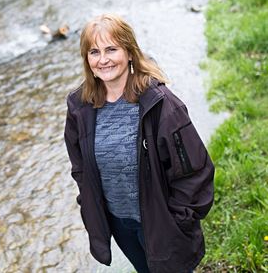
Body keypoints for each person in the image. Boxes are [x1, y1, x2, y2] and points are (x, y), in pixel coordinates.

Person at [64, 14, 214, 273]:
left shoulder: (160, 104)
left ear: (130, 52)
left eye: (111, 49)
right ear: (86, 59)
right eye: (94, 52)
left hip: (161, 223)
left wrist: (178, 221)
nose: (103, 60)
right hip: (119, 223)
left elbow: (195, 172)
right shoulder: (80, 107)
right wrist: (89, 204)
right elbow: (80, 166)